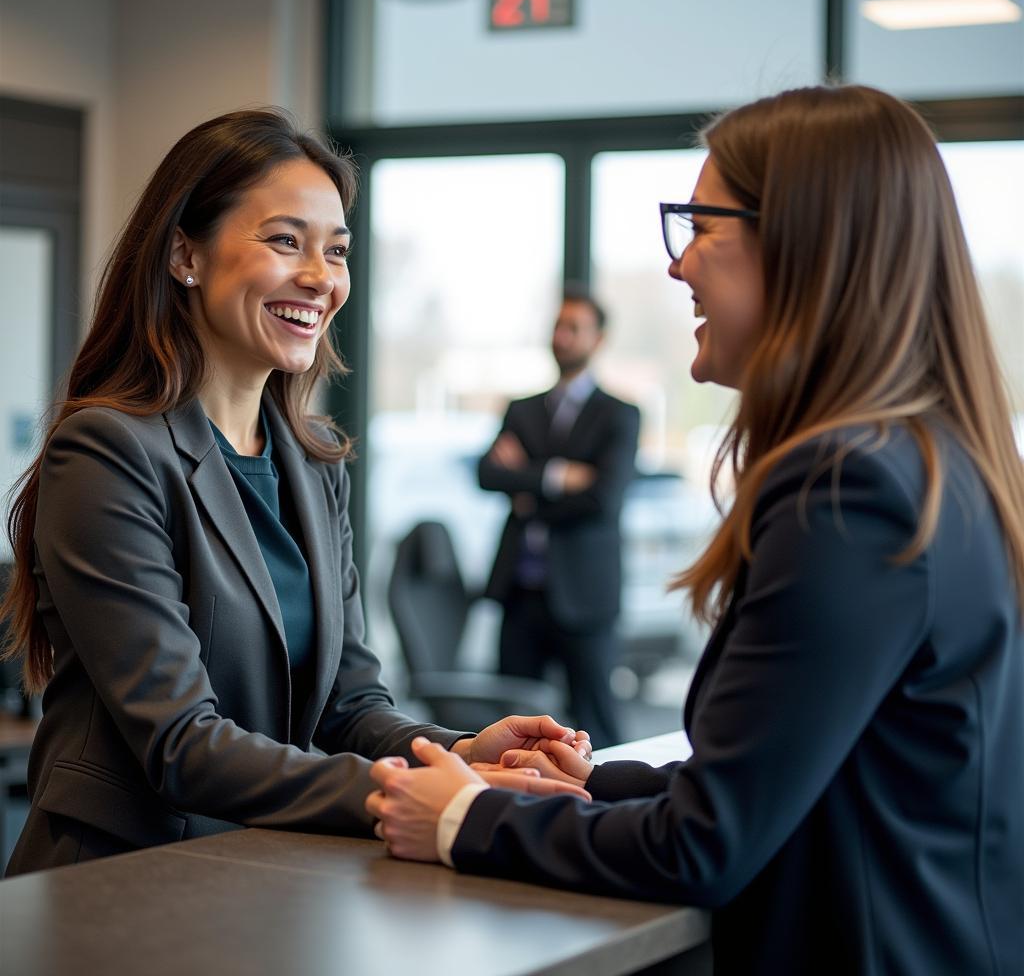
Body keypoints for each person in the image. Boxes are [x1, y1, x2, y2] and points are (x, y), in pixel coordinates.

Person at [367, 85, 1024, 975]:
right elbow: (784, 774)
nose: (677, 268)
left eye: (700, 225)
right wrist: (583, 782)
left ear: (802, 245)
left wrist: (463, 819)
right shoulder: (928, 461)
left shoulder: (848, 492)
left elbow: (704, 845)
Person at [0, 109, 589, 877]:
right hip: (120, 883)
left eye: (336, 251)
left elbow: (348, 705)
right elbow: (181, 744)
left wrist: (461, 753)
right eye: (285, 241)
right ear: (185, 254)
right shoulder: (110, 452)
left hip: (263, 875)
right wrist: (434, 792)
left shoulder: (314, 467)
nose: (321, 277)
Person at [478, 292, 640, 748]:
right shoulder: (522, 409)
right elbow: (487, 474)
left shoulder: (619, 415)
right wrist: (559, 475)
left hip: (584, 595)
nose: (562, 336)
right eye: (558, 326)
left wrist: (527, 482)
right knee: (511, 725)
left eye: (574, 327)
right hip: (521, 592)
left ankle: (611, 811)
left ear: (598, 338)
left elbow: (604, 499)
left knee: (597, 722)